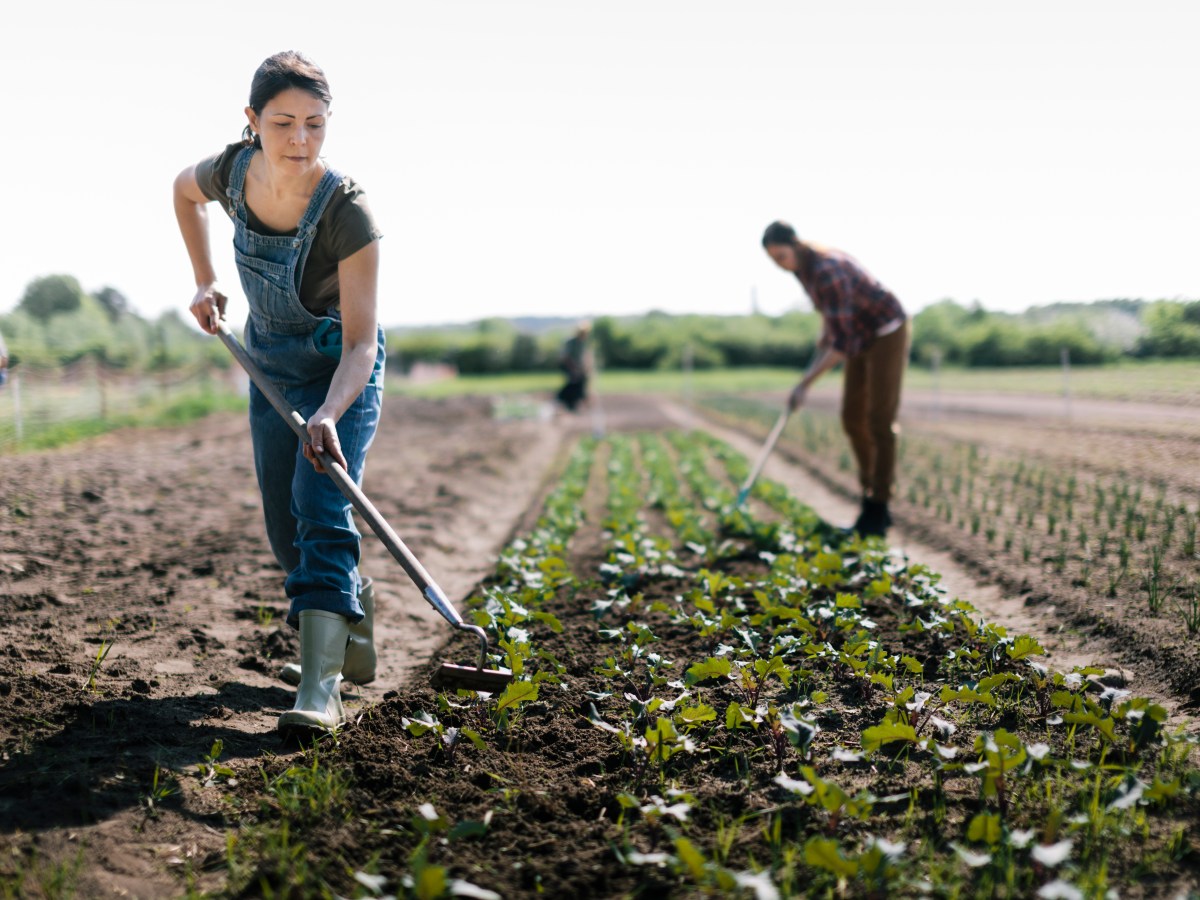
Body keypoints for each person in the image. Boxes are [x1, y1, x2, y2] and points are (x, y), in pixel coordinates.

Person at [173, 51, 385, 735]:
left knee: (319, 501)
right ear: (252, 121)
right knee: (284, 524)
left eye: (316, 125)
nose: (300, 140)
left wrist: (328, 413)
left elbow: (361, 345)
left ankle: (321, 689)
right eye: (284, 123)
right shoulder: (232, 174)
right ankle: (349, 610)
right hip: (270, 367)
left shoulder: (348, 213)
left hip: (338, 376)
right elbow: (181, 191)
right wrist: (206, 279)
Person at [761, 221, 909, 538]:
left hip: (886, 331)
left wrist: (805, 384)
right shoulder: (802, 270)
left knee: (879, 420)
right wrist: (824, 334)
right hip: (859, 335)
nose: (779, 264)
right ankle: (869, 492)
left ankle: (878, 508)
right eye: (773, 259)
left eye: (781, 256)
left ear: (796, 244)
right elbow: (835, 318)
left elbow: (842, 345)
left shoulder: (828, 268)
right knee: (852, 418)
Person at [556, 321, 592, 412]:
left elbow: (584, 357)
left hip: (576, 367)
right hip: (567, 365)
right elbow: (565, 357)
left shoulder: (582, 343)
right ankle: (562, 398)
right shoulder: (571, 342)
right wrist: (574, 369)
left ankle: (575, 401)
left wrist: (585, 368)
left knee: (581, 380)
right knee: (574, 381)